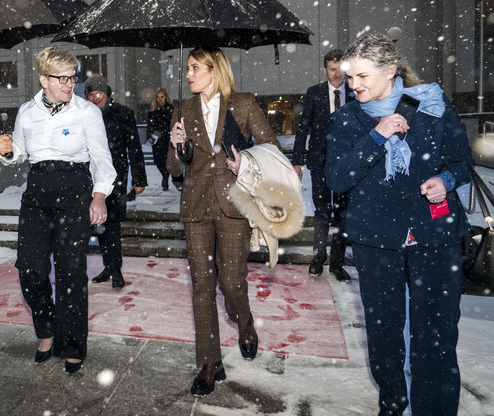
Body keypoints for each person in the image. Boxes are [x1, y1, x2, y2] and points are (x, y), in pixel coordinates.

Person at [325, 34, 472, 416]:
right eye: (349, 76)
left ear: (391, 71)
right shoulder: (346, 118)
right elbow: (337, 178)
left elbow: (461, 161)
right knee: (385, 336)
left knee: (436, 336)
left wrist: (446, 182)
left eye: (362, 76)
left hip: (435, 238)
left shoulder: (432, 107)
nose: (353, 84)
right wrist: (378, 135)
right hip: (376, 240)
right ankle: (392, 404)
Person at [167, 46, 280, 397]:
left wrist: (243, 163)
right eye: (188, 68)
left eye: (195, 68)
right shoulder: (183, 109)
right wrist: (176, 146)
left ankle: (244, 323)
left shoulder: (243, 103)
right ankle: (209, 362)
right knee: (202, 285)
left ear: (214, 71)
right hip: (196, 207)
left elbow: (272, 150)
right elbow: (174, 169)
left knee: (231, 283)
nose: (188, 74)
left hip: (233, 207)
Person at [0, 46, 115, 375]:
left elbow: (103, 161)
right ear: (43, 79)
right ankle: (46, 328)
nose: (69, 83)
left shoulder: (86, 113)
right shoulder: (27, 112)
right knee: (30, 269)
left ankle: (73, 344)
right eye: (61, 78)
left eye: (73, 77)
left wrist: (100, 196)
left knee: (70, 274)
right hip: (36, 193)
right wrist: (7, 151)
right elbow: (19, 153)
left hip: (75, 190)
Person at [291, 49, 354, 281]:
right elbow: (303, 128)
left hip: (347, 165)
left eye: (340, 69)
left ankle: (337, 264)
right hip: (319, 162)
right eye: (332, 69)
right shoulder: (314, 93)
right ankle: (319, 256)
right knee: (321, 212)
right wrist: (297, 162)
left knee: (342, 214)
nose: (337, 74)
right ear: (324, 69)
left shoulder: (356, 92)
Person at [85, 75, 147, 290]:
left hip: (116, 179)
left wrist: (139, 179)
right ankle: (108, 267)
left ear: (107, 93)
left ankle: (116, 269)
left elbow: (134, 148)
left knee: (111, 226)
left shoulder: (123, 113)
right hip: (91, 179)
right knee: (98, 224)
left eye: (99, 93)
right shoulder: (83, 115)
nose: (95, 98)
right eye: (91, 94)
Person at [146, 88, 176, 191]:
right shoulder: (153, 111)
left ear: (165, 97)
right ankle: (165, 175)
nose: (160, 99)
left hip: (168, 138)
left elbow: (174, 124)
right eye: (158, 97)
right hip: (156, 139)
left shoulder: (171, 109)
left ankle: (166, 177)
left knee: (167, 159)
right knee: (158, 160)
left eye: (162, 96)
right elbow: (149, 125)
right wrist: (149, 136)